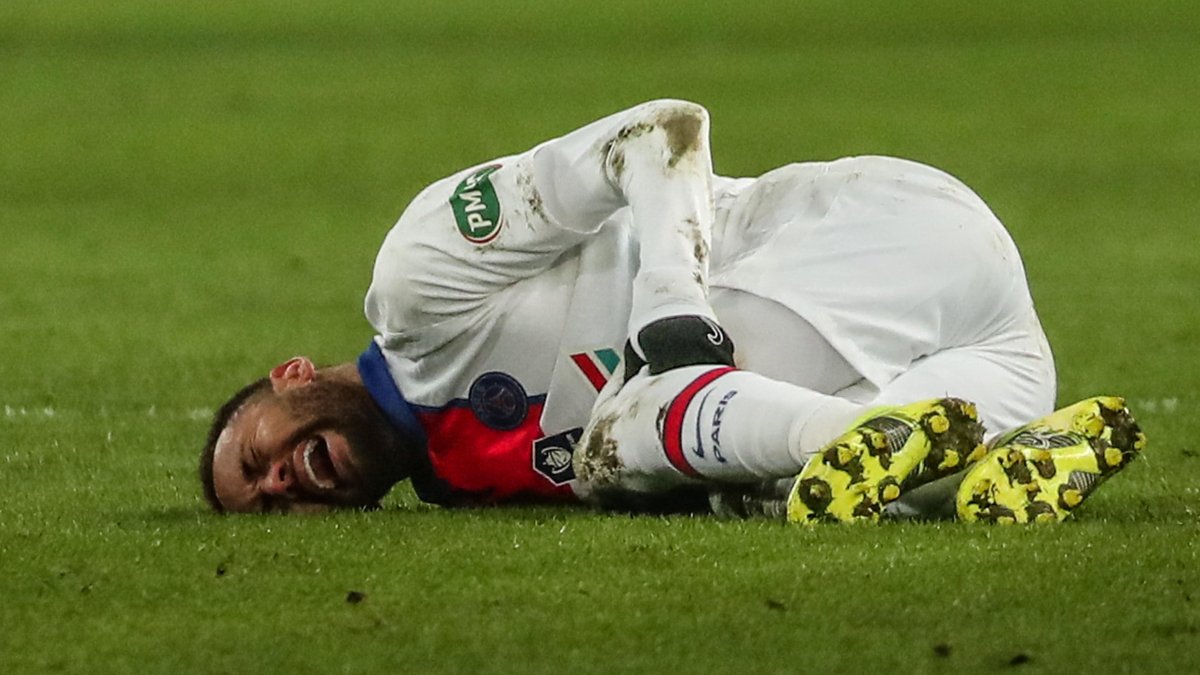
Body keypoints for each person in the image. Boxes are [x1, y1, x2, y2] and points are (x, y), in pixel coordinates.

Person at [200, 100, 1144, 522]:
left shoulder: (418, 283)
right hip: (993, 344)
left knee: (630, 426)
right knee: (822, 488)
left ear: (291, 376)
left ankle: (861, 435)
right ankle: (1013, 455)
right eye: (266, 503)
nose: (279, 480)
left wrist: (671, 308)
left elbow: (659, 131)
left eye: (256, 452)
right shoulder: (465, 478)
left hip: (860, 237)